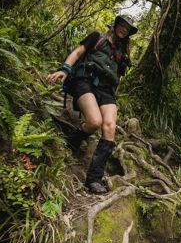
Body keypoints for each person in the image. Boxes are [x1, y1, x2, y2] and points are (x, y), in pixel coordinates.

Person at [47, 15, 137, 193]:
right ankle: (72, 142)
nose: (124, 30)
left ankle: (94, 179)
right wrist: (64, 69)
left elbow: (117, 79)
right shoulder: (97, 37)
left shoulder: (122, 54)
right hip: (85, 81)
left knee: (110, 127)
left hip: (107, 90)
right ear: (116, 25)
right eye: (122, 25)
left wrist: (113, 99)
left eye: (128, 29)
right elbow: (78, 52)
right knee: (95, 122)